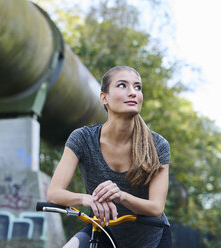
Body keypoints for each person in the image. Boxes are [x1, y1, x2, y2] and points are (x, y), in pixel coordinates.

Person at [46, 65, 172, 247]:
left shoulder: (158, 145)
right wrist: (87, 199)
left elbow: (156, 208)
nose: (133, 93)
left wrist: (121, 196)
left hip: (150, 238)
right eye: (122, 85)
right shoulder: (82, 138)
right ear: (104, 98)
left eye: (137, 87)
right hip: (103, 229)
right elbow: (54, 193)